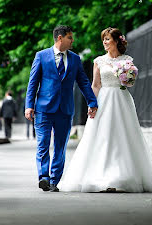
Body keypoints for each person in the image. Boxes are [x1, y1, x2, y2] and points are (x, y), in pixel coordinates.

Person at [59, 27, 152, 193]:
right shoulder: (99, 61)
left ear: (116, 41)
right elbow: (95, 85)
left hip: (122, 101)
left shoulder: (127, 60)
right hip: (104, 100)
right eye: (103, 39)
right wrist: (91, 104)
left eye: (107, 39)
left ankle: (124, 176)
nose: (104, 42)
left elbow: (130, 82)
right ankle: (101, 176)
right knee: (103, 136)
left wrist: (127, 78)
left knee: (124, 136)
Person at [25, 25, 98, 193]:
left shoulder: (75, 59)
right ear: (60, 38)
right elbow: (33, 83)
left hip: (65, 110)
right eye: (70, 38)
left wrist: (92, 102)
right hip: (43, 109)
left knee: (60, 146)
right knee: (43, 144)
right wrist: (29, 105)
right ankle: (44, 177)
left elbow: (84, 82)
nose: (72, 41)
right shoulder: (41, 56)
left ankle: (54, 180)